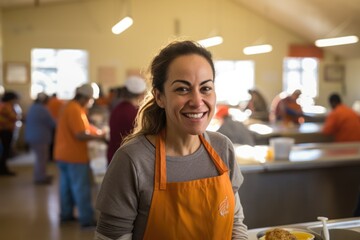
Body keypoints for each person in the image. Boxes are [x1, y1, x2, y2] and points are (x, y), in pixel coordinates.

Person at [95, 40, 248, 239]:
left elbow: (235, 222)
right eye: (182, 89)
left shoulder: (222, 148)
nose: (197, 101)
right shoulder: (133, 160)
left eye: (205, 88)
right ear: (160, 97)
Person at [54, 83, 106, 228]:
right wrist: (100, 137)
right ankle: (86, 219)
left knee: (66, 187)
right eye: (91, 99)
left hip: (62, 154)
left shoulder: (69, 106)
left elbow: (85, 127)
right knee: (81, 188)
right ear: (85, 97)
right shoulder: (75, 110)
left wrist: (98, 132)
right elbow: (80, 134)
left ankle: (66, 215)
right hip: (74, 156)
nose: (91, 102)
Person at [107, 75, 147, 164]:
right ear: (142, 95)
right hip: (127, 159)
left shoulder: (117, 108)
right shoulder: (134, 113)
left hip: (114, 156)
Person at [24, 92, 56, 184]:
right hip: (39, 138)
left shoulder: (33, 107)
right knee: (41, 158)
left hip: (34, 136)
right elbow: (52, 123)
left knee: (41, 158)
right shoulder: (42, 109)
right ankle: (40, 178)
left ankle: (42, 175)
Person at [0, 91, 20, 176]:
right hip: (5, 131)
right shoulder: (6, 106)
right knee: (5, 150)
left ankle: (3, 168)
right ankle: (3, 169)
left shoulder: (2, 105)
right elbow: (13, 117)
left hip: (5, 130)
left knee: (4, 150)